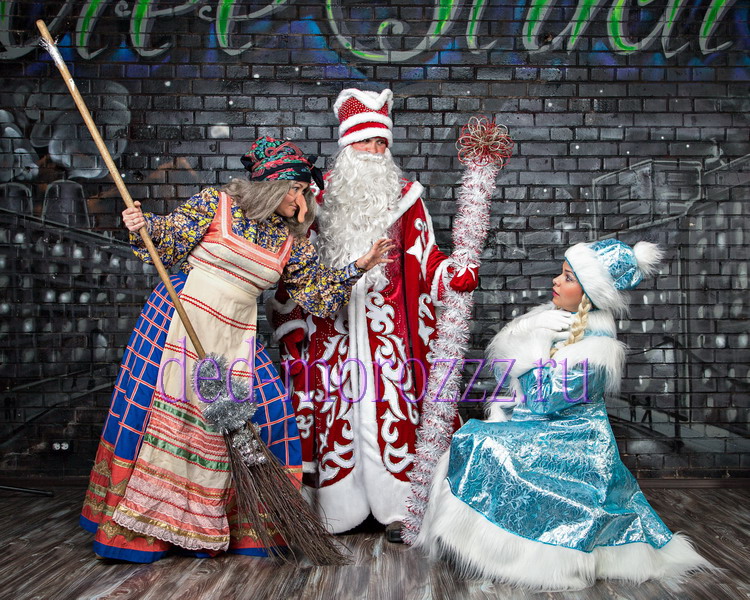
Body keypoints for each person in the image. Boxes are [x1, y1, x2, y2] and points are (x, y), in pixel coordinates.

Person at [80, 136, 393, 563]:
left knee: (270, 418)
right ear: (271, 187)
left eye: (305, 191)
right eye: (296, 189)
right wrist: (144, 224)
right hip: (180, 320)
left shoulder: (290, 240)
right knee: (166, 420)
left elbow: (317, 295)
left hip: (237, 334)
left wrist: (359, 266)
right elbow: (167, 240)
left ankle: (235, 525)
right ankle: (148, 530)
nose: (302, 200)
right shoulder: (216, 204)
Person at [414, 239, 710, 590]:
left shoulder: (596, 347)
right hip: (543, 429)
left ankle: (515, 553)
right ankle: (486, 546)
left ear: (588, 294)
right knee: (473, 438)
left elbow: (543, 401)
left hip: (574, 442)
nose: (556, 280)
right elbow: (507, 374)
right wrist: (525, 333)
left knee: (483, 442)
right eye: (561, 273)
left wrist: (531, 346)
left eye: (568, 277)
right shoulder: (556, 319)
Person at [268, 88, 478, 542]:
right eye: (366, 141)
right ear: (347, 145)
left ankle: (400, 508)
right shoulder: (314, 200)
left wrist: (452, 275)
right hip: (329, 333)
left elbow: (426, 259)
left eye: (382, 142)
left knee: (393, 411)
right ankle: (332, 510)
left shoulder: (407, 199)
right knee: (331, 414)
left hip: (391, 337)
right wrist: (289, 315)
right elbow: (293, 264)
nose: (375, 151)